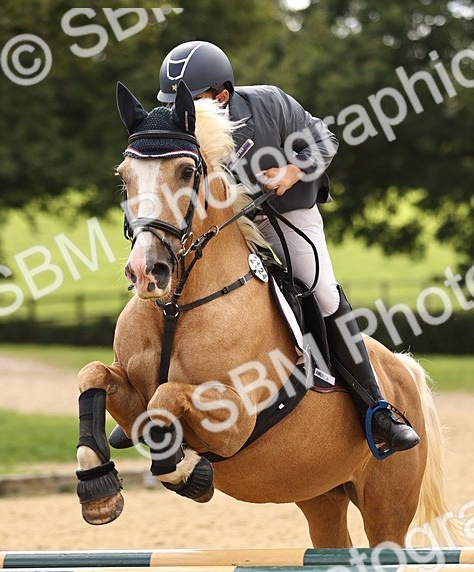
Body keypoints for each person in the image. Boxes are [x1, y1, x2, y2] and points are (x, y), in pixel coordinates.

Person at [155, 39, 420, 454]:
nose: (179, 112)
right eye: (173, 102)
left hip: (285, 212)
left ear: (222, 96)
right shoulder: (180, 126)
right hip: (228, 222)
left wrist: (294, 170)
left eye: (191, 100)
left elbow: (325, 139)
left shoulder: (270, 104)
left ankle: (377, 409)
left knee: (322, 291)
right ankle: (151, 399)